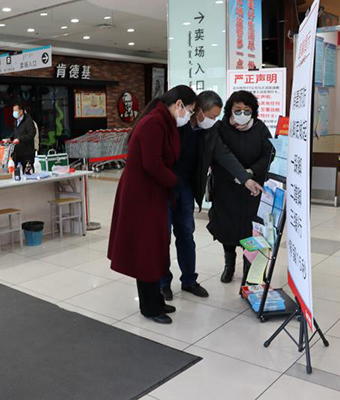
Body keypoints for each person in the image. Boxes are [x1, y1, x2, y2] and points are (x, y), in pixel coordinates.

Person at [160, 91, 263, 301]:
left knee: (186, 234)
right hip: (165, 188)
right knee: (163, 237)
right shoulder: (176, 126)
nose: (214, 121)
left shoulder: (210, 130)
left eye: (217, 117)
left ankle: (189, 280)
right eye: (212, 116)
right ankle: (163, 283)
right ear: (198, 111)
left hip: (186, 188)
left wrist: (246, 178)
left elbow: (223, 154)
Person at [108, 85, 197, 325]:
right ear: (178, 104)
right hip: (141, 194)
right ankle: (149, 307)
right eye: (189, 110)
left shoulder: (162, 121)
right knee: (146, 250)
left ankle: (156, 299)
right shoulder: (154, 123)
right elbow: (152, 163)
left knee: (154, 247)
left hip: (152, 191)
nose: (188, 116)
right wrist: (174, 181)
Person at [207, 90, 273, 288]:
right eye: (238, 110)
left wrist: (251, 172)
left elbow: (269, 153)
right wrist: (237, 174)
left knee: (250, 230)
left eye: (247, 110)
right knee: (227, 227)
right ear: (230, 110)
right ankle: (229, 265)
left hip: (252, 188)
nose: (242, 114)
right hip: (226, 187)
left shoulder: (260, 128)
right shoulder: (220, 128)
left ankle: (249, 268)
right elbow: (220, 155)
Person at [10, 102, 36, 168]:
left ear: (21, 111)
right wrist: (10, 138)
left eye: (15, 111)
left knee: (28, 170)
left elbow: (31, 134)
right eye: (13, 111)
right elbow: (16, 132)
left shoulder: (28, 121)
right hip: (18, 152)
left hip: (27, 153)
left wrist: (20, 139)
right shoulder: (16, 121)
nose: (14, 113)